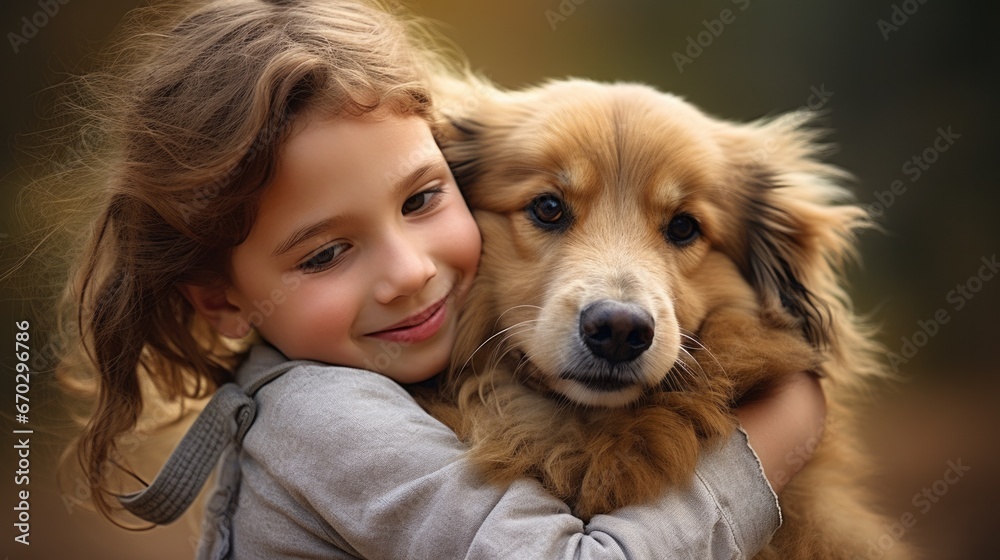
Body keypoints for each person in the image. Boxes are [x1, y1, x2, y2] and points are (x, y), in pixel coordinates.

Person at [53, 0, 827, 558]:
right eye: (548, 209)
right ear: (223, 299)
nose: (410, 272)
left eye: (422, 201)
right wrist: (771, 439)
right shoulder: (329, 422)